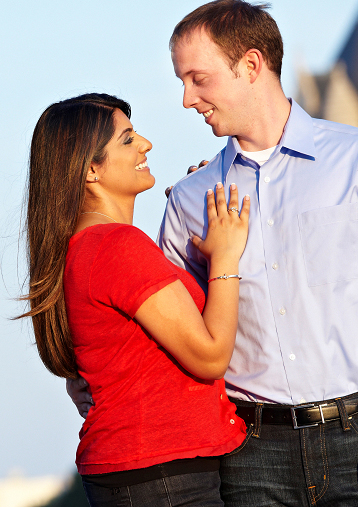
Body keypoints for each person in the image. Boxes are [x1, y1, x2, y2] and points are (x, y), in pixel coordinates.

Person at [68, 0, 358, 506]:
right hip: (248, 455)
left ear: (251, 65)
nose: (187, 99)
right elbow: (169, 334)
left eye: (198, 79)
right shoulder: (189, 199)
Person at [18, 93, 253, 506]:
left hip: (144, 471)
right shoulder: (116, 245)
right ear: (91, 169)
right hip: (161, 474)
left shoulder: (89, 245)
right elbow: (211, 356)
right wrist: (226, 254)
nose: (145, 143)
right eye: (127, 139)